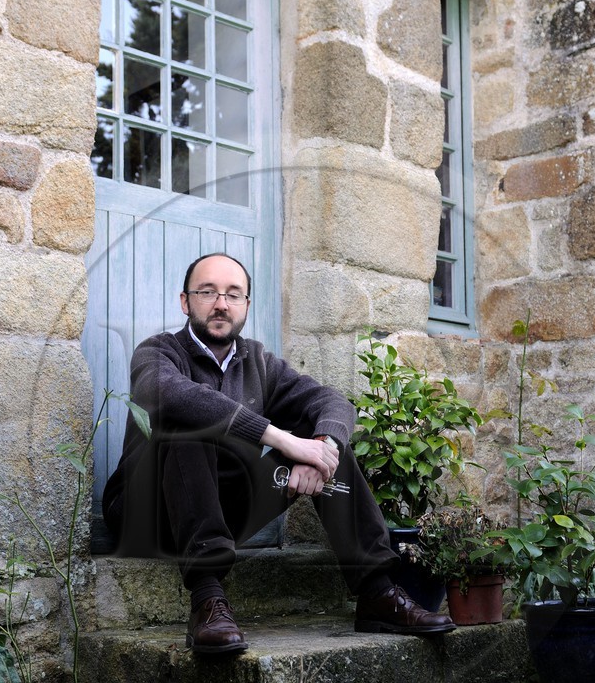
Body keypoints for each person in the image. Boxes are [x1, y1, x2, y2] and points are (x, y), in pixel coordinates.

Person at [102, 252, 456, 655]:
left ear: (246, 306)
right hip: (146, 515)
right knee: (190, 419)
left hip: (221, 510)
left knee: (322, 439)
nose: (221, 303)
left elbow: (332, 401)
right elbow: (174, 396)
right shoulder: (158, 352)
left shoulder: (258, 361)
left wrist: (322, 448)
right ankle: (207, 598)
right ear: (186, 302)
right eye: (208, 292)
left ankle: (377, 591)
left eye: (233, 295)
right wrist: (282, 441)